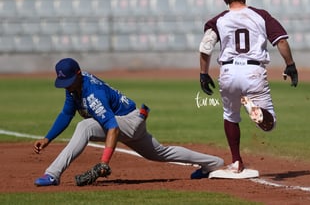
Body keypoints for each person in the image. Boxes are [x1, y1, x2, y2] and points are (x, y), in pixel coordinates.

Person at [34, 58, 224, 186]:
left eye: (68, 81)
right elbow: (67, 113)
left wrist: (104, 162)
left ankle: (53, 174)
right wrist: (48, 138)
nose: (66, 86)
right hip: (131, 119)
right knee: (161, 153)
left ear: (78, 74)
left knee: (84, 126)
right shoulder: (75, 87)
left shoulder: (93, 95)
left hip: (127, 123)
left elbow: (113, 129)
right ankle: (213, 163)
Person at [198, 0, 298, 173]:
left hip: (228, 71)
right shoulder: (260, 16)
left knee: (230, 116)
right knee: (270, 124)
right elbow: (282, 42)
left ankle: (236, 161)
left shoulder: (218, 20)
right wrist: (290, 65)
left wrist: (203, 73)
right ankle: (256, 109)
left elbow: (205, 46)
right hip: (253, 71)